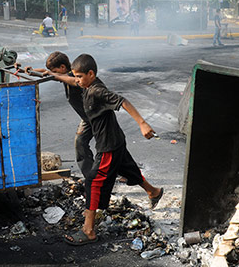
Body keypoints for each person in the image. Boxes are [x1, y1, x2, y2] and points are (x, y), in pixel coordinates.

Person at [64, 53, 164, 246]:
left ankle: (89, 230)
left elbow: (122, 101)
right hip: (116, 141)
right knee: (127, 169)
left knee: (93, 181)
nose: (76, 81)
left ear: (91, 74)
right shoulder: (86, 84)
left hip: (108, 146)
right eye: (75, 76)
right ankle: (153, 192)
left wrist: (142, 124)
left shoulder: (96, 91)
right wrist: (48, 74)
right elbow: (68, 78)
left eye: (79, 77)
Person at [24, 52, 93, 179]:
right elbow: (46, 72)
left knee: (108, 146)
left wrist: (52, 74)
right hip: (86, 119)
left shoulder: (74, 77)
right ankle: (91, 176)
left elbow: (70, 80)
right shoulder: (63, 75)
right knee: (80, 143)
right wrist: (30, 71)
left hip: (96, 117)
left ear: (62, 67)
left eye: (55, 70)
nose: (53, 73)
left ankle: (121, 172)